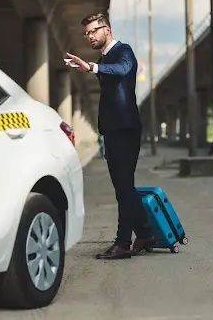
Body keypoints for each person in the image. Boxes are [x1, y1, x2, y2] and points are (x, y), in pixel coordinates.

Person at [65, 13, 155, 259]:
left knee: (124, 187)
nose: (90, 36)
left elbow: (122, 69)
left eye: (94, 31)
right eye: (87, 33)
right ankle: (146, 234)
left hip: (126, 130)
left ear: (107, 29)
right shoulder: (104, 57)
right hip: (113, 131)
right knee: (123, 188)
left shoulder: (123, 51)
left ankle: (123, 243)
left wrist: (92, 67)